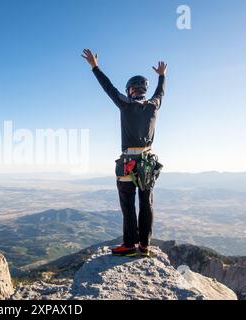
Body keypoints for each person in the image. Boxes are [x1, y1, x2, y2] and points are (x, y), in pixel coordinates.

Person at [82, 49, 167, 257]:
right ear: (143, 91)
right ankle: (145, 246)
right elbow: (160, 93)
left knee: (128, 204)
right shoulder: (153, 106)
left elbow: (108, 88)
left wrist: (95, 67)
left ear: (130, 90)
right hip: (147, 161)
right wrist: (162, 76)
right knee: (146, 203)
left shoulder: (125, 104)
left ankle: (129, 245)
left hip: (129, 162)